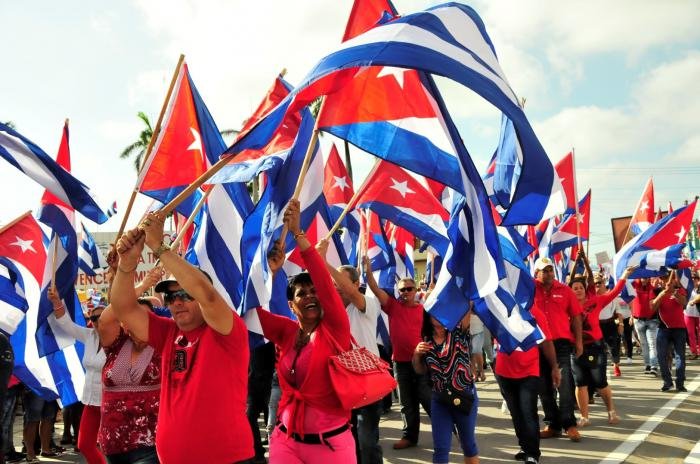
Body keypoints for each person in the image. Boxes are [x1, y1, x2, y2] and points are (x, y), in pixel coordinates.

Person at [112, 210, 254, 463]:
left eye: (186, 294)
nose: (178, 302)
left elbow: (207, 295)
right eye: (172, 297)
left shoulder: (226, 329)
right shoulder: (168, 333)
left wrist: (157, 245)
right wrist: (126, 265)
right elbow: (123, 308)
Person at [257, 200, 356, 462]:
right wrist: (270, 273)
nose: (311, 296)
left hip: (331, 445)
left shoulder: (335, 328)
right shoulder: (286, 331)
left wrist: (300, 236)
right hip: (285, 441)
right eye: (302, 293)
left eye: (314, 291)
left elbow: (325, 284)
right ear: (292, 304)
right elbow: (251, 312)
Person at [317, 238, 383, 464]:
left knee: (367, 440)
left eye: (342, 284)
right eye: (334, 284)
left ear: (356, 284)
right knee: (346, 438)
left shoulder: (369, 304)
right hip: (339, 383)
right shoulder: (329, 313)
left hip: (367, 382)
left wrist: (322, 262)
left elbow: (347, 291)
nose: (337, 288)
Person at [364, 257, 431, 450]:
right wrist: (368, 270)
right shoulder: (393, 306)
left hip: (421, 362)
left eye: (410, 288)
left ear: (416, 290)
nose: (406, 292)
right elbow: (375, 288)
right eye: (402, 289)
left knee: (427, 399)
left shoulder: (423, 310)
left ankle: (446, 429)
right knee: (406, 402)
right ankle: (409, 437)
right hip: (400, 363)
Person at [47, 287, 107, 464]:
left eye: (101, 317)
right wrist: (57, 302)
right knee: (85, 445)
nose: (96, 321)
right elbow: (66, 325)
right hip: (89, 401)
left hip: (111, 403)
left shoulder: (121, 339)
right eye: (93, 318)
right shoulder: (89, 336)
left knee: (112, 446)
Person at [494, 303, 560, 464]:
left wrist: (554, 367)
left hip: (528, 372)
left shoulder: (534, 312)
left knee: (528, 412)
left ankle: (532, 453)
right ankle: (524, 447)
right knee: (516, 413)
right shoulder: (498, 308)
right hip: (504, 371)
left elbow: (546, 342)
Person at [97, 299, 161, 464]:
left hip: (149, 442)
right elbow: (104, 320)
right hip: (113, 442)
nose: (137, 322)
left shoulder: (163, 346)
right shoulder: (116, 345)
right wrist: (138, 289)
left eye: (143, 317)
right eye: (132, 316)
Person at [570, 266, 633, 427]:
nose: (578, 290)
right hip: (576, 349)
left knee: (600, 382)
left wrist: (624, 275)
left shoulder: (596, 301)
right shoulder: (566, 306)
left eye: (581, 288)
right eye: (575, 288)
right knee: (580, 383)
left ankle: (611, 412)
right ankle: (584, 417)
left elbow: (614, 292)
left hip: (595, 348)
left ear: (586, 289)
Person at [413, 313, 478, 464]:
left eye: (442, 310)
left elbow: (466, 306)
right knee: (440, 449)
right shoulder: (426, 341)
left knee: (468, 445)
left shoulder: (458, 332)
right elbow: (420, 370)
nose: (439, 315)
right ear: (428, 317)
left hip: (464, 397)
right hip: (440, 399)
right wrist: (416, 355)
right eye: (435, 312)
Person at [533, 256, 583, 442]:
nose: (548, 273)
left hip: (561, 344)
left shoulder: (565, 290)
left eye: (550, 270)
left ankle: (569, 424)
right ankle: (553, 424)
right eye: (544, 270)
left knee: (564, 385)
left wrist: (578, 342)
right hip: (538, 344)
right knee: (543, 387)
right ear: (536, 273)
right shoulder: (529, 289)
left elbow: (576, 317)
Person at [651, 271, 688, 392]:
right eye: (662, 278)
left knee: (680, 357)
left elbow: (684, 303)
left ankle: (680, 383)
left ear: (671, 280)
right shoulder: (656, 291)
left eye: (666, 278)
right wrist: (663, 293)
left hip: (679, 329)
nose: (664, 280)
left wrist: (674, 292)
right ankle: (667, 382)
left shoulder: (679, 289)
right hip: (663, 329)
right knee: (661, 356)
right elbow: (652, 307)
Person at [631, 277, 659, 376]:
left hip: (651, 320)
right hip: (638, 320)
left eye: (647, 277)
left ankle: (653, 366)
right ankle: (647, 365)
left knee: (652, 344)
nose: (645, 279)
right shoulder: (634, 284)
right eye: (643, 277)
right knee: (644, 344)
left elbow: (654, 301)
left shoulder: (652, 288)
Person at [684, 272, 700, 360]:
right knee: (691, 334)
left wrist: (694, 301)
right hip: (688, 313)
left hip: (698, 314)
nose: (693, 280)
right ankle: (694, 352)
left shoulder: (699, 288)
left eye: (696, 278)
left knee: (699, 333)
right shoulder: (687, 288)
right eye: (692, 278)